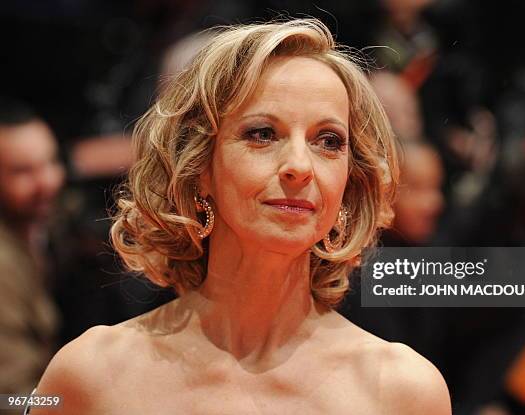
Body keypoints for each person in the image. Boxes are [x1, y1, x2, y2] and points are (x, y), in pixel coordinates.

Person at [32, 19, 451, 414]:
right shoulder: (89, 375)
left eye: (328, 141)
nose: (300, 166)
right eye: (262, 134)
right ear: (198, 167)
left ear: (348, 181)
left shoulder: (404, 391)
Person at [0, 98, 64, 406]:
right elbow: (8, 398)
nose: (48, 182)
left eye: (51, 162)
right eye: (23, 172)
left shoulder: (51, 223)